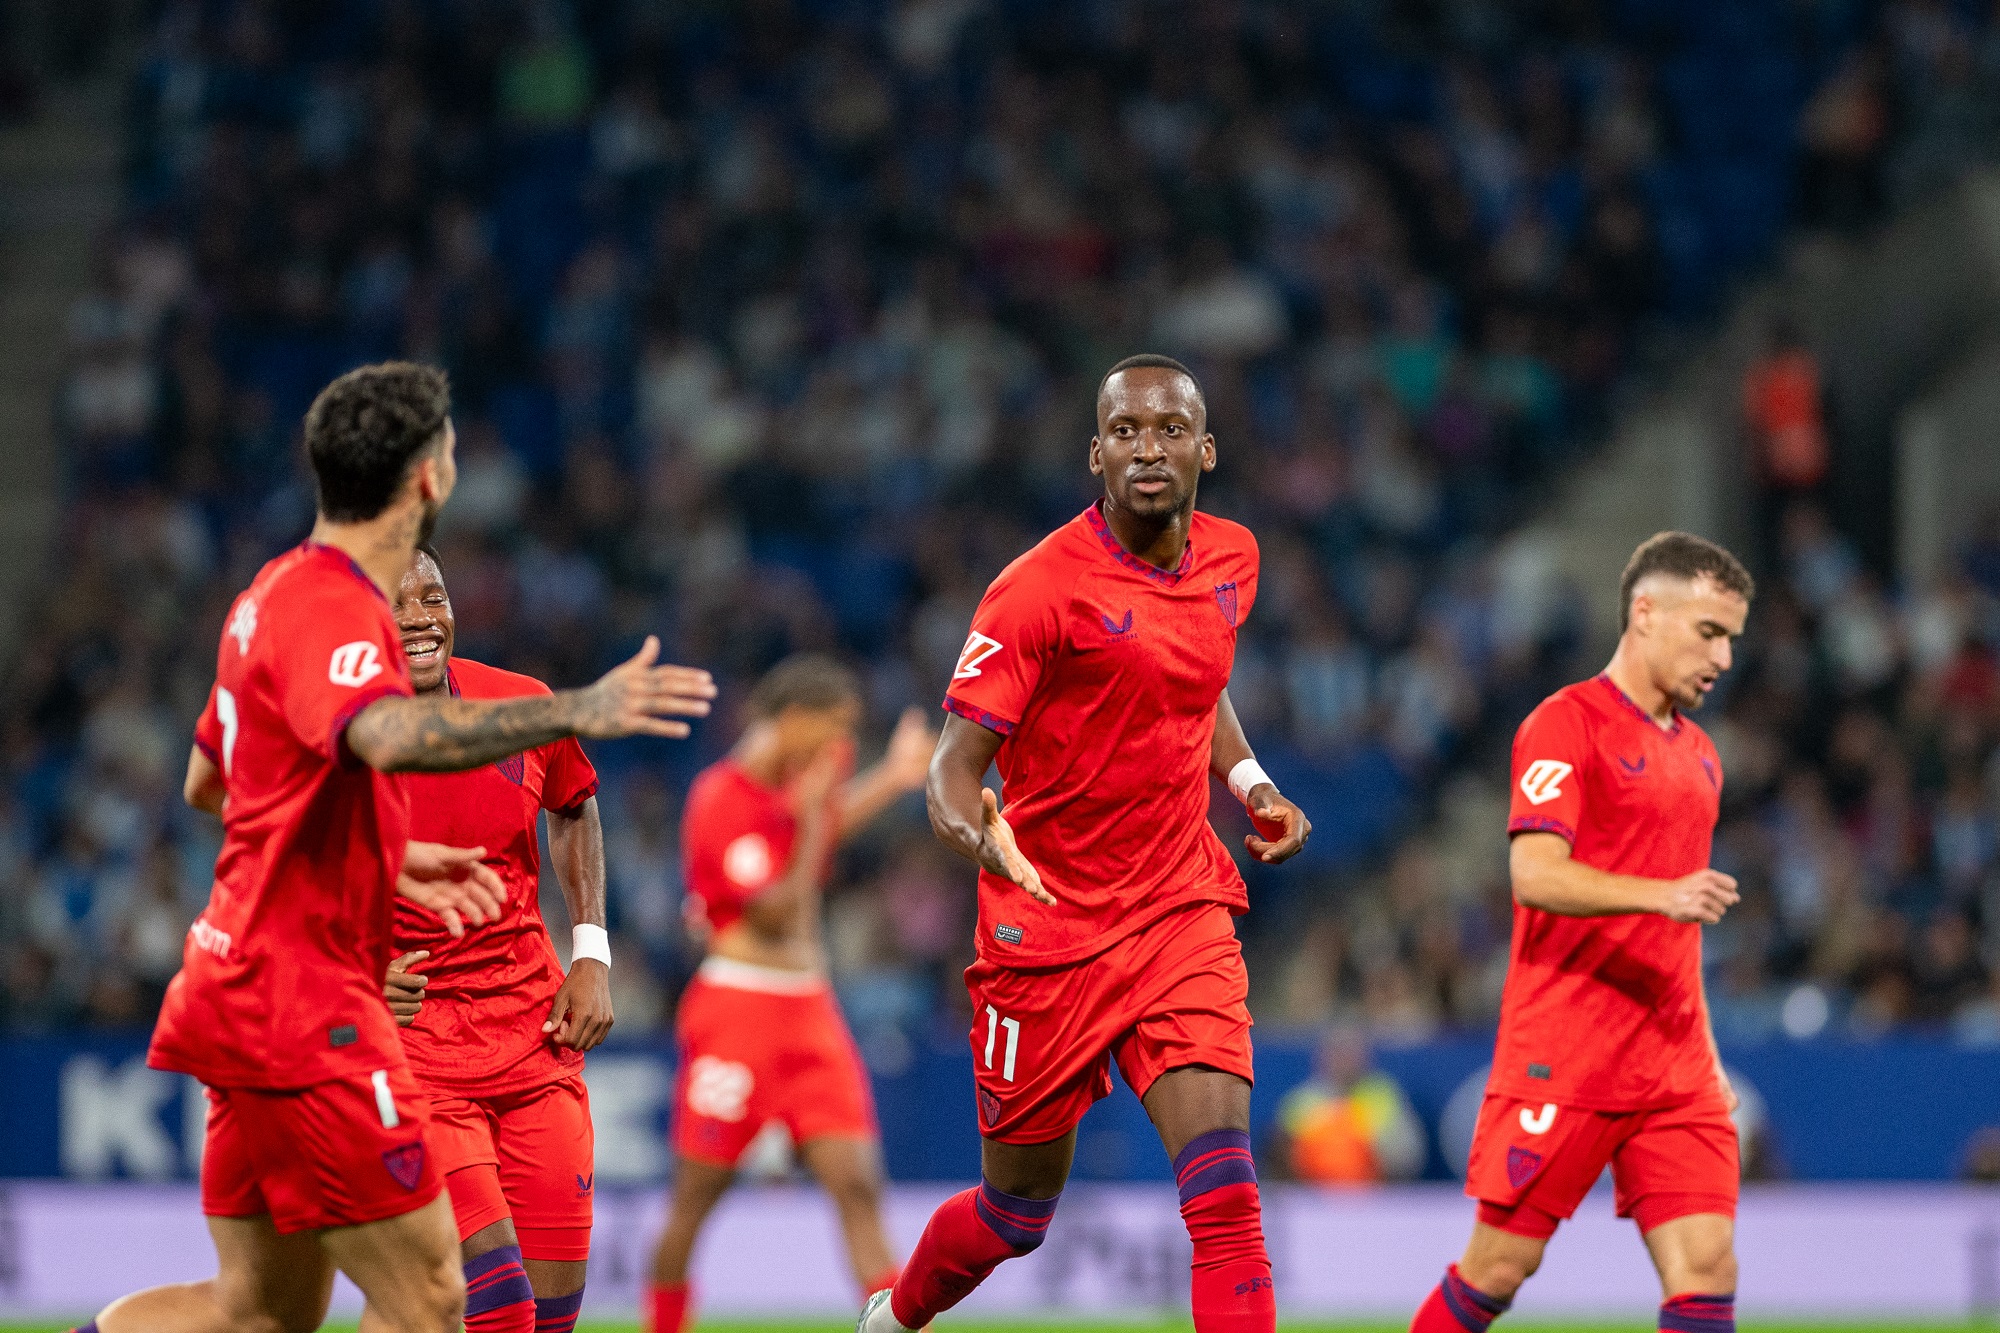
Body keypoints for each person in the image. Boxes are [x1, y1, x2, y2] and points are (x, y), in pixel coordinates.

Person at [74, 362, 716, 1333]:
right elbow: (378, 734)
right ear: (431, 474)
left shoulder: (268, 597)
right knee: (442, 1299)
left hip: (251, 989)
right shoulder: (335, 612)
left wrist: (362, 854)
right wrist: (574, 708)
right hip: (309, 1009)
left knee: (258, 1310)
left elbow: (214, 780)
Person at [860, 354, 1312, 1333]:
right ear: (1094, 454)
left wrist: (1251, 784)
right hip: (1045, 928)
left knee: (1227, 1197)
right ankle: (892, 1318)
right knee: (1013, 1213)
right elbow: (950, 767)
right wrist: (978, 839)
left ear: (1205, 448)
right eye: (1124, 432)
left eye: (1166, 430)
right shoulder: (1035, 590)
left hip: (1176, 910)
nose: (1146, 449)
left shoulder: (1233, 559)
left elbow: (1197, 678)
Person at [1407, 531, 1753, 1333]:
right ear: (1645, 612)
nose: (1725, 657)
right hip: (1566, 1050)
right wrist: (1660, 894)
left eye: (1732, 637)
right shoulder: (1566, 724)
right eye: (1710, 631)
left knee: (1707, 1266)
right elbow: (1536, 875)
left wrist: (1702, 1050)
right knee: (1499, 1267)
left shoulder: (1702, 756)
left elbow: (1682, 935)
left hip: (1673, 1063)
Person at [647, 655, 937, 1333]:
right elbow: (776, 907)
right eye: (835, 728)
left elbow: (820, 825)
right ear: (794, 719)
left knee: (858, 1185)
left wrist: (892, 779)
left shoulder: (794, 790)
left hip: (809, 1010)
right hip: (737, 1010)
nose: (842, 745)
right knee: (695, 1198)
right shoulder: (723, 797)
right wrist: (809, 822)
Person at [377, 543, 610, 1333]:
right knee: (496, 1304)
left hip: (533, 1040)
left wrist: (591, 950)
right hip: (418, 1056)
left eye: (431, 598)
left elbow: (574, 803)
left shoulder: (521, 706)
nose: (418, 618)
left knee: (549, 1319)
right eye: (395, 601)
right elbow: (277, 881)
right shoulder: (333, 745)